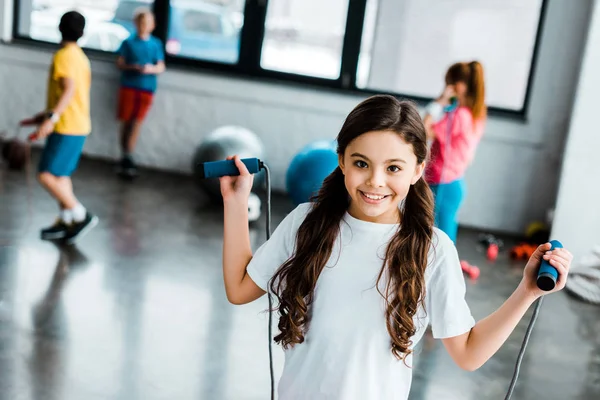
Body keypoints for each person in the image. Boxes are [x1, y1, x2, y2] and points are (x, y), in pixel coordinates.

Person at [219, 95, 573, 399]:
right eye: (361, 164)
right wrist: (236, 203)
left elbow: (467, 353)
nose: (375, 181)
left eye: (393, 168)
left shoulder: (433, 250)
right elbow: (239, 288)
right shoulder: (304, 222)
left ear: (418, 169)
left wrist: (527, 291)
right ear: (341, 160)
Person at [21, 11, 97, 244]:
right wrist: (42, 116)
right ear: (82, 33)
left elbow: (69, 90)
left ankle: (81, 215)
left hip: (66, 126)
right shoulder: (80, 56)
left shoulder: (64, 56)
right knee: (60, 176)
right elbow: (73, 96)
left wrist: (51, 118)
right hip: (76, 124)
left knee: (45, 175)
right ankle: (66, 220)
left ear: (59, 28)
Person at [423, 61, 487, 243]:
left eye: (448, 84)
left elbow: (423, 129)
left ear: (457, 86)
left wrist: (439, 102)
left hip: (443, 183)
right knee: (440, 236)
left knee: (442, 240)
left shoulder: (460, 116)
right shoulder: (475, 115)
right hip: (451, 182)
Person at [115, 8, 165, 178]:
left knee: (137, 122)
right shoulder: (128, 42)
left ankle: (128, 154)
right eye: (141, 23)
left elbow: (160, 66)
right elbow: (120, 63)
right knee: (126, 121)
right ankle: (125, 155)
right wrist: (133, 67)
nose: (144, 26)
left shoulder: (155, 44)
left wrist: (150, 69)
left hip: (146, 89)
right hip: (129, 86)